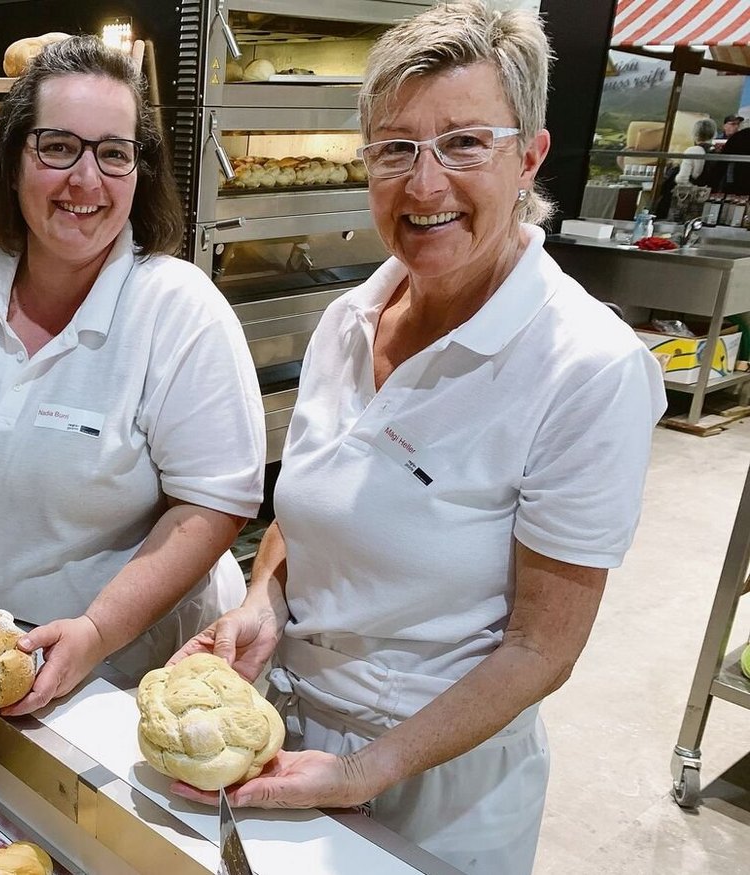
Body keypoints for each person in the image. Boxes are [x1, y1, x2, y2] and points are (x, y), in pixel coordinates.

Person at [170, 3, 666, 874]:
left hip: (439, 783)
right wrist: (264, 603)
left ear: (531, 157)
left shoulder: (587, 369)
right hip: (289, 737)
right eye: (395, 148)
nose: (424, 184)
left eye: (465, 142)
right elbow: (320, 499)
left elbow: (541, 647)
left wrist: (367, 768)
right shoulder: (349, 317)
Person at [0, 36, 265, 716]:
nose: (86, 179)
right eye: (58, 147)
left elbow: (211, 506)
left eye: (113, 153)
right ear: (13, 159)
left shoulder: (179, 310)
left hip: (131, 673)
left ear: (140, 172)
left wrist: (99, 630)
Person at [677, 117, 717, 186]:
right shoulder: (716, 152)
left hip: (694, 192)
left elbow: (681, 179)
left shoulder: (693, 151)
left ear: (695, 134)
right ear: (714, 134)